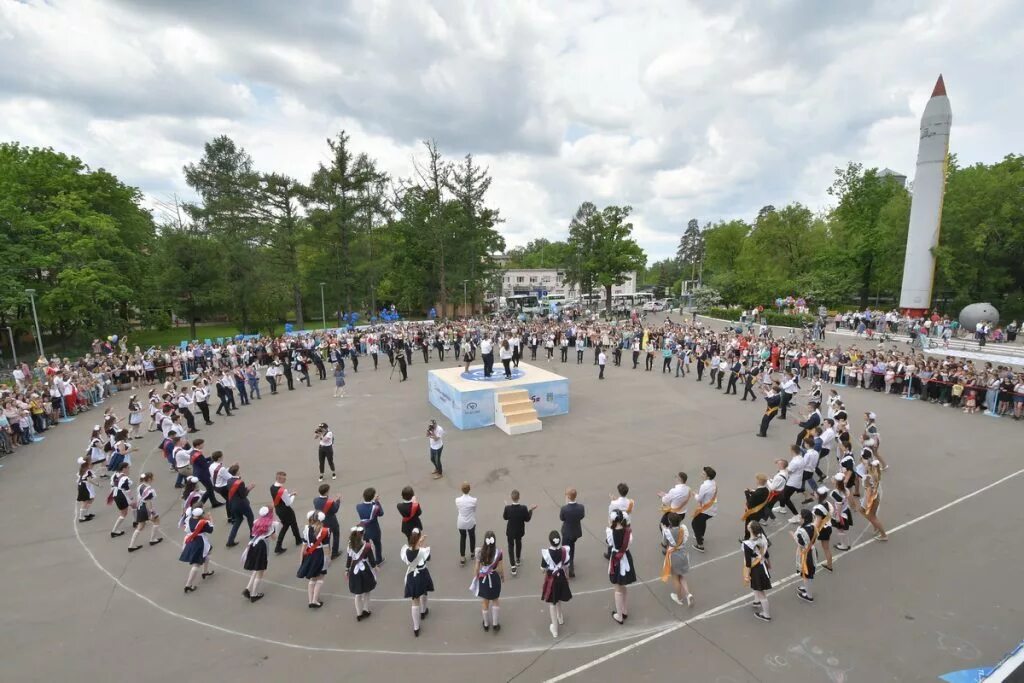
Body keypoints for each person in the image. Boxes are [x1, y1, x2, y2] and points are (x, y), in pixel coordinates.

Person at [401, 528, 433, 637]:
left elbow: (410, 555)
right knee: (424, 592)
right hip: (422, 574)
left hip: (411, 576)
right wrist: (422, 545)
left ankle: (416, 627)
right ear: (419, 538)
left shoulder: (405, 550)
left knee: (414, 601)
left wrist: (418, 543)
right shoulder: (423, 551)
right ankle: (423, 611)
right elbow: (428, 558)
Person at [241, 506, 277, 603]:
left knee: (256, 568)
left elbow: (253, 534)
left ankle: (248, 588)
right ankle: (254, 594)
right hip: (262, 546)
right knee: (260, 570)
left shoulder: (256, 522)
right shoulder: (270, 524)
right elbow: (274, 538)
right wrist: (272, 531)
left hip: (253, 544)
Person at [541, 530, 572, 638]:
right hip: (562, 577)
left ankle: (555, 629)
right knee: (558, 598)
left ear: (550, 541)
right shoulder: (564, 551)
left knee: (552, 603)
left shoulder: (547, 554)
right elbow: (567, 566)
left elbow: (543, 568)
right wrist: (567, 576)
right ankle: (560, 617)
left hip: (551, 579)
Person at [296, 510, 331, 608]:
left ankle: (311, 600)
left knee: (312, 578)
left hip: (309, 554)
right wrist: (328, 559)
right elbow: (326, 547)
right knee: (320, 577)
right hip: (319, 554)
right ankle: (315, 601)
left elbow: (304, 545)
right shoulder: (325, 530)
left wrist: (301, 559)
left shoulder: (306, 528)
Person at [472, 530, 504, 632]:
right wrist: (502, 576)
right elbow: (500, 568)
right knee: (495, 600)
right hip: (494, 578)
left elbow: (477, 568)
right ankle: (495, 624)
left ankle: (486, 624)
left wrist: (476, 577)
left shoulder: (479, 552)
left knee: (485, 602)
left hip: (483, 579)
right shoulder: (498, 553)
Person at [607, 510, 636, 624]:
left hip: (616, 559)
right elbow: (628, 543)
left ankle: (619, 615)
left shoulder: (610, 532)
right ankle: (624, 610)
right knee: (623, 585)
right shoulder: (628, 532)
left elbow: (610, 543)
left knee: (617, 587)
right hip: (626, 557)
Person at [660, 512, 693, 606]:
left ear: (669, 522)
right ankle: (688, 595)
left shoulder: (667, 532)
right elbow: (685, 538)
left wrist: (663, 530)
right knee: (681, 576)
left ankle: (679, 598)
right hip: (683, 553)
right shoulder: (683, 529)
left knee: (675, 578)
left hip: (674, 556)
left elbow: (664, 543)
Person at [345, 526, 378, 621]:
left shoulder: (350, 545)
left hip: (354, 570)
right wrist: (375, 567)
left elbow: (349, 559)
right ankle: (366, 609)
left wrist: (347, 569)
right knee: (367, 590)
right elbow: (372, 560)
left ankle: (359, 614)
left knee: (357, 593)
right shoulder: (367, 546)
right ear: (363, 534)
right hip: (365, 570)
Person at [742, 520, 772, 622]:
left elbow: (748, 563)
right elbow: (766, 553)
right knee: (758, 589)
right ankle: (757, 601)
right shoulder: (762, 538)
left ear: (750, 529)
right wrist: (769, 563)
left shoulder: (747, 544)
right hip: (762, 565)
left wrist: (746, 574)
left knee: (761, 592)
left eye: (749, 525)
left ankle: (766, 614)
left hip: (756, 569)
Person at [179, 507, 214, 593]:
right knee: (196, 564)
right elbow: (211, 530)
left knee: (209, 552)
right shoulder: (202, 522)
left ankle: (205, 571)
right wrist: (211, 519)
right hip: (200, 542)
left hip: (192, 539)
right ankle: (188, 585)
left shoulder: (190, 519)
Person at [502, 489, 536, 576]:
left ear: (511, 498)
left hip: (510, 531)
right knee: (518, 542)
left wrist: (506, 507)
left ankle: (513, 566)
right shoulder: (523, 508)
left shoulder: (508, 508)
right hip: (519, 530)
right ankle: (518, 559)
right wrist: (531, 510)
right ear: (519, 497)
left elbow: (505, 517)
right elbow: (527, 519)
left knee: (510, 547)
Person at [128, 472, 163, 551]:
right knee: (157, 521)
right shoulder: (150, 490)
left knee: (140, 526)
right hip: (145, 508)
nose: (154, 478)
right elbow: (148, 502)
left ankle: (131, 545)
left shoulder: (140, 486)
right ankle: (152, 540)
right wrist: (152, 513)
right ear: (149, 479)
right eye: (152, 477)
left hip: (140, 507)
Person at [269, 471, 302, 555]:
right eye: (284, 478)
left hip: (279, 510)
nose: (285, 479)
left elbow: (280, 498)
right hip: (286, 510)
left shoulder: (272, 487)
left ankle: (278, 546)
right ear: (279, 478)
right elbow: (288, 503)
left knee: (286, 526)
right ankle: (298, 540)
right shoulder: (283, 490)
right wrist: (293, 495)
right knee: (293, 524)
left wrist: (289, 494)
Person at [224, 464, 255, 547]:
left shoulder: (229, 481)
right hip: (242, 504)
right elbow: (243, 495)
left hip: (233, 504)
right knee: (250, 517)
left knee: (238, 520)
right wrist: (249, 488)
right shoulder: (240, 483)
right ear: (237, 472)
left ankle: (230, 540)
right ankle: (253, 534)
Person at [859, 459, 888, 541]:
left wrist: (868, 503)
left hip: (871, 498)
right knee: (862, 510)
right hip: (875, 495)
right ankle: (876, 527)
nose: (863, 465)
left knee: (872, 516)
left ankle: (883, 534)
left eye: (865, 464)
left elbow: (868, 491)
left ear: (869, 466)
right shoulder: (876, 473)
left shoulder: (867, 477)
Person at [559, 488, 585, 578]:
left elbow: (562, 518)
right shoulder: (581, 507)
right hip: (575, 532)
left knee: (565, 549)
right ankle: (571, 565)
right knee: (572, 548)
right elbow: (582, 516)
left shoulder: (564, 509)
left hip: (567, 532)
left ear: (569, 497)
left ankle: (568, 567)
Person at [691, 466, 717, 552]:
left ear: (708, 477)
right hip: (712, 508)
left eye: (703, 473)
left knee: (695, 523)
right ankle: (701, 535)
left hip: (706, 509)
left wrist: (694, 494)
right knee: (702, 521)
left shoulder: (704, 485)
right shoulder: (714, 483)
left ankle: (700, 545)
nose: (701, 474)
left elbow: (699, 499)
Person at [356, 487, 384, 564]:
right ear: (372, 497)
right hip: (374, 528)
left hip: (364, 529)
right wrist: (377, 502)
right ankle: (378, 559)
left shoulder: (358, 506)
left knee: (366, 544)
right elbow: (381, 513)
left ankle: (368, 558)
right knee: (377, 544)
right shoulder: (375, 507)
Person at [794, 508, 817, 603]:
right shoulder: (813, 526)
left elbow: (800, 544)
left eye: (800, 517)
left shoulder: (801, 531)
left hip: (806, 555)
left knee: (807, 575)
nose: (799, 518)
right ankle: (806, 588)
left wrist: (794, 537)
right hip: (813, 551)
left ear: (804, 519)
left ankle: (809, 595)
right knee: (809, 573)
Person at [742, 474, 772, 538]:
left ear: (758, 481)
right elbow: (759, 497)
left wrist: (746, 493)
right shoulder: (766, 490)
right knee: (755, 525)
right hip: (760, 511)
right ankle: (748, 538)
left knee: (750, 526)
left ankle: (747, 538)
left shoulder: (756, 493)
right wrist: (751, 492)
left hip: (753, 513)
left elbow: (750, 503)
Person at [455, 481, 478, 566]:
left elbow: (459, 509)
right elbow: (474, 510)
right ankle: (472, 553)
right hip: (470, 521)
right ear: (469, 489)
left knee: (463, 537)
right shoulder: (473, 500)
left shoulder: (457, 500)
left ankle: (462, 557)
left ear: (461, 490)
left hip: (461, 522)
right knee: (472, 536)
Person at [109, 462, 133, 538]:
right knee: (124, 513)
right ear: (124, 469)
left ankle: (136, 521)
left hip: (116, 494)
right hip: (121, 495)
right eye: (128, 468)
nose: (129, 469)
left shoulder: (115, 475)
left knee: (133, 506)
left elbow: (112, 484)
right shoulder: (125, 478)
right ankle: (114, 531)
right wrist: (131, 498)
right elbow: (127, 490)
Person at [76, 457, 96, 523]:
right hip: (85, 486)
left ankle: (86, 514)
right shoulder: (87, 471)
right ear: (87, 462)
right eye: (90, 461)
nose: (91, 461)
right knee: (85, 501)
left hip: (83, 485)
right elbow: (89, 479)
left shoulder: (82, 469)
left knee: (90, 499)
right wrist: (97, 484)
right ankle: (81, 517)